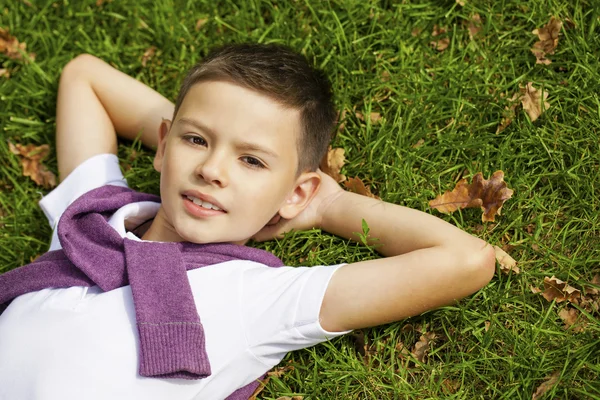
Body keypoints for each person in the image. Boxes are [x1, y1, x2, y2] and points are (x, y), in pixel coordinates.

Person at [0, 44, 496, 399]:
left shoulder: (257, 295)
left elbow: (465, 260)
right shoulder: (92, 220)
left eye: (252, 161)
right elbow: (85, 77)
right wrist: (200, 132)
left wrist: (329, 207)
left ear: (297, 190)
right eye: (197, 142)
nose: (212, 170)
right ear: (164, 144)